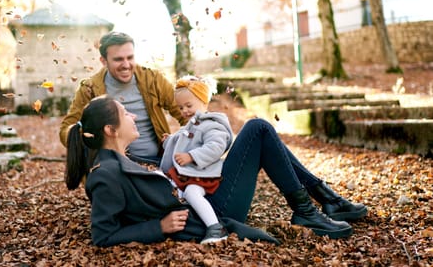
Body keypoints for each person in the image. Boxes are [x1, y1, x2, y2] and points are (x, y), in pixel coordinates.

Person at [65, 96, 368, 247]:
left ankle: (319, 200)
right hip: (213, 211)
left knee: (260, 134)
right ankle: (313, 203)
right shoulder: (105, 174)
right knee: (258, 129)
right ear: (110, 129)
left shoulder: (119, 160)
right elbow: (103, 235)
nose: (132, 115)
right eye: (124, 113)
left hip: (205, 197)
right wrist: (160, 227)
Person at [59, 31, 187, 165]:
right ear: (103, 61)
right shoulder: (90, 89)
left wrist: (186, 146)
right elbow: (67, 130)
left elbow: (185, 113)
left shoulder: (153, 80)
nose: (126, 65)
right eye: (118, 59)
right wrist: (92, 137)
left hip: (159, 160)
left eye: (130, 57)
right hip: (114, 166)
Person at [160, 76, 232, 244]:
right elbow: (183, 142)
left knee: (192, 192)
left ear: (203, 100)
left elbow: (215, 146)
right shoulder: (192, 124)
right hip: (188, 173)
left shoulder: (212, 124)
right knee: (164, 183)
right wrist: (169, 140)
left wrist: (192, 156)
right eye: (180, 107)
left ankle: (215, 227)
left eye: (189, 105)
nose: (184, 110)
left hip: (202, 174)